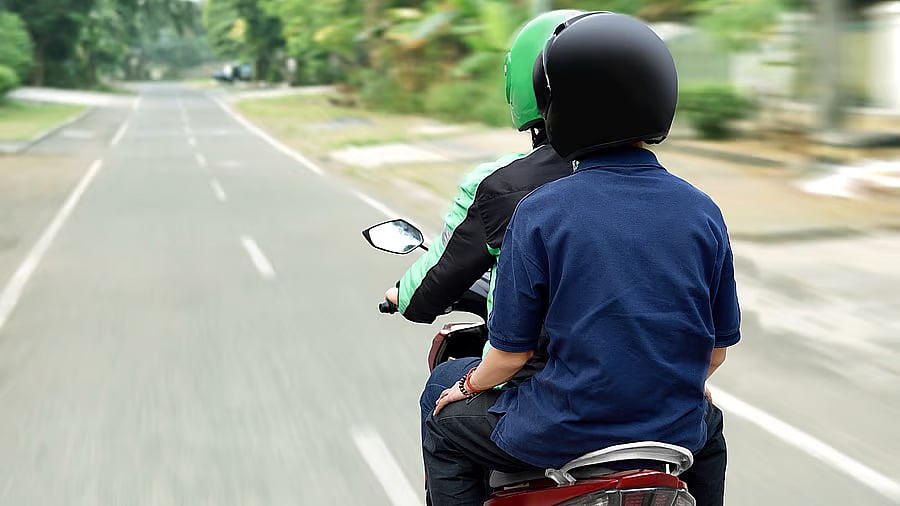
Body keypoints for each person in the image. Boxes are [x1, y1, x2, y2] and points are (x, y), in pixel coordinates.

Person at [422, 11, 740, 506]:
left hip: (560, 429)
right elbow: (714, 352)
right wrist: (676, 388)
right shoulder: (703, 210)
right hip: (669, 430)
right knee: (711, 428)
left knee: (441, 413)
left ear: (557, 107)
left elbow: (509, 356)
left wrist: (464, 386)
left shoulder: (540, 211)